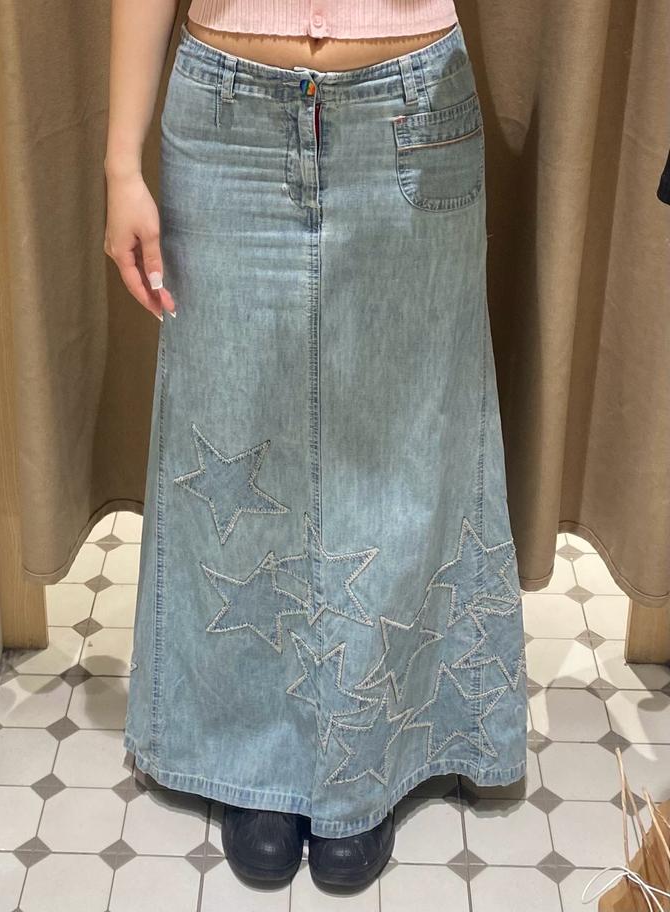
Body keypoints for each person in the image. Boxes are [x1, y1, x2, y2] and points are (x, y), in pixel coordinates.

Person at [104, 0, 528, 892]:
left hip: (410, 109)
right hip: (225, 118)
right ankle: (251, 755)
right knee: (230, 427)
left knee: (404, 445)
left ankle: (365, 753)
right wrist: (119, 164)